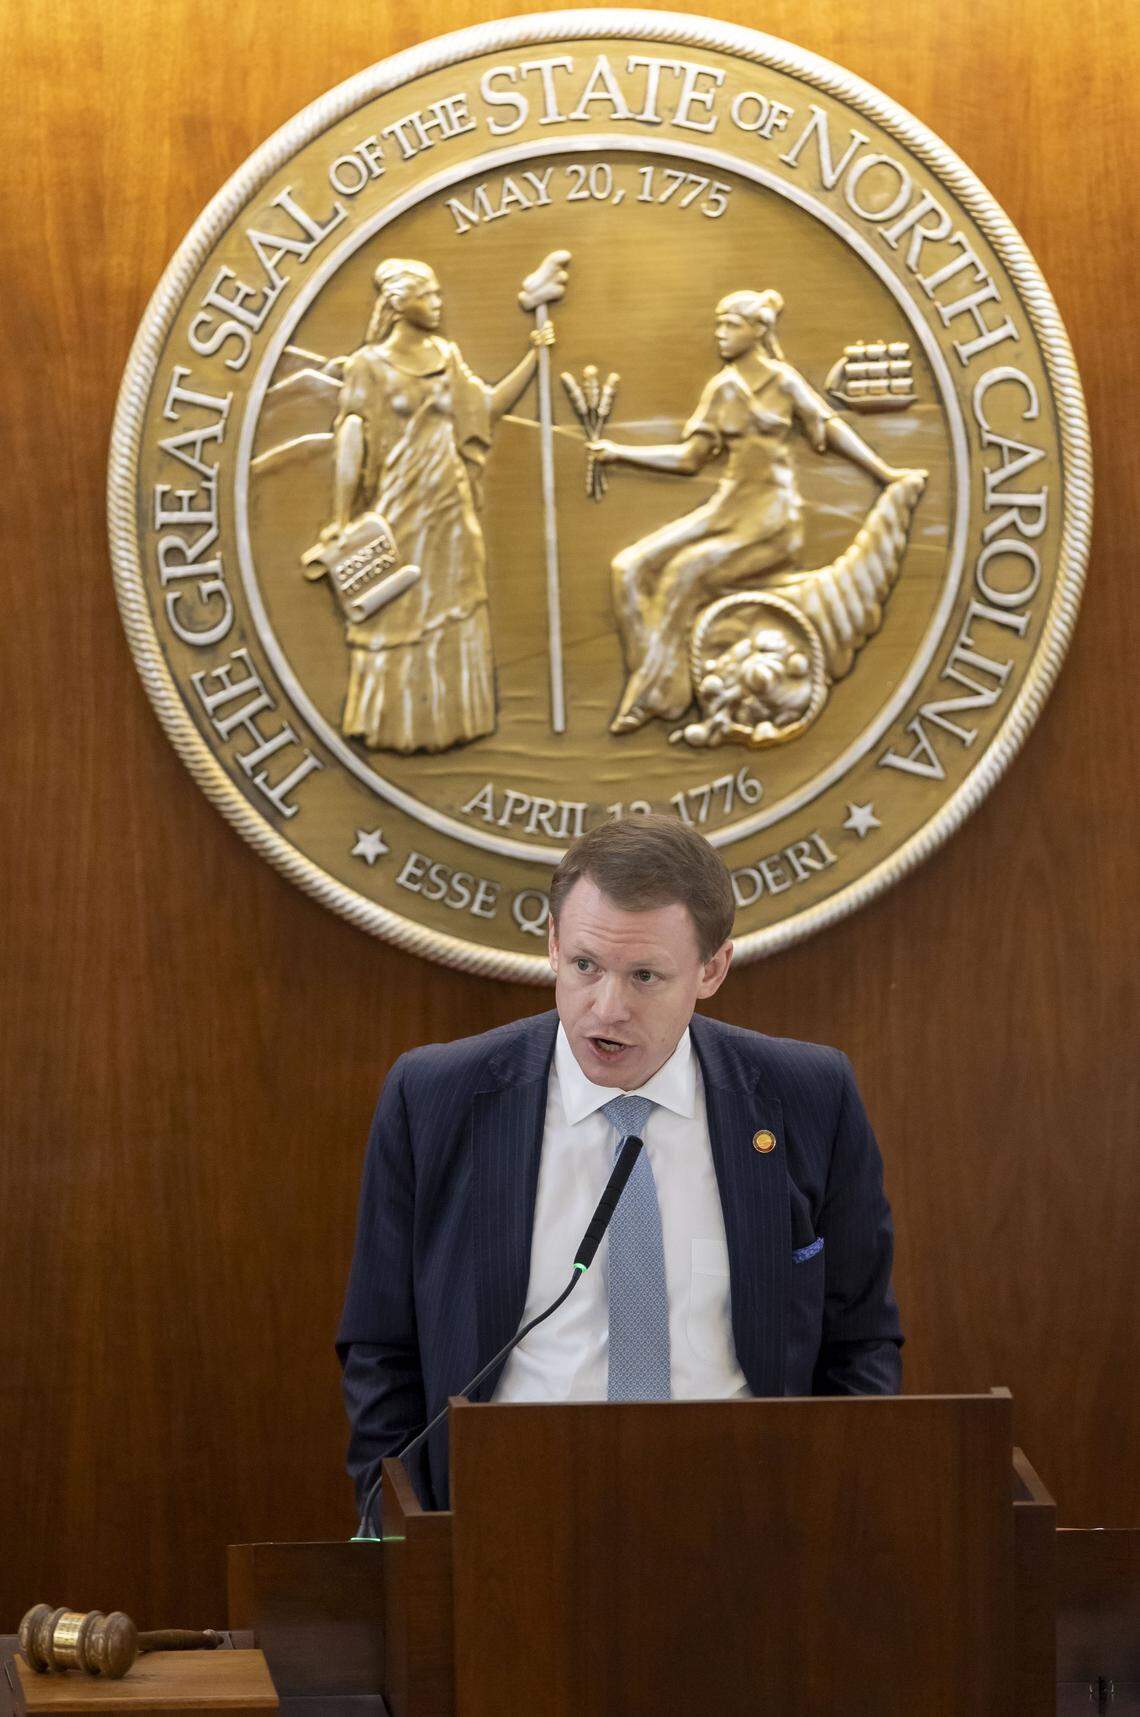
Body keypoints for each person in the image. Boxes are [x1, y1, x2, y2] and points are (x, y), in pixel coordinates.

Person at [337, 815, 903, 1513]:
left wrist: (834, 1512)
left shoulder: (808, 1097)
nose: (607, 1007)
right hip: (507, 1522)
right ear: (551, 945)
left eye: (644, 976)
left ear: (712, 969)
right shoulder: (435, 1098)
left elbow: (861, 1342)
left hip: (749, 1515)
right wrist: (399, 1531)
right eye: (585, 966)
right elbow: (380, 1349)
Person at [589, 289, 910, 735]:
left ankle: (655, 699)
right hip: (727, 511)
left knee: (684, 572)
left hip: (770, 522)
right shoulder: (722, 387)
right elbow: (689, 459)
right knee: (628, 568)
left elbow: (832, 430)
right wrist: (619, 453)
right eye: (718, 324)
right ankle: (663, 676)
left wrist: (883, 472)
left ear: (758, 330)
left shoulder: (783, 382)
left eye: (730, 325)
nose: (719, 334)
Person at [317, 257, 556, 754]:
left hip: (449, 501)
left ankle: (450, 723)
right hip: (400, 503)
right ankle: (394, 726)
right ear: (400, 303)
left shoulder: (446, 356)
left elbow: (485, 408)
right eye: (429, 295)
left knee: (454, 601)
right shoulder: (367, 365)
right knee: (397, 604)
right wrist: (340, 519)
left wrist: (534, 360)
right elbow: (352, 440)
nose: (439, 304)